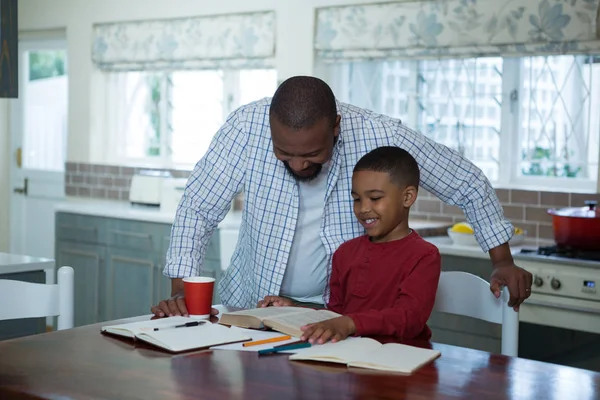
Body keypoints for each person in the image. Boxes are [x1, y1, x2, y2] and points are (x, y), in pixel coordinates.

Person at [150, 76, 532, 318]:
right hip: (251, 308)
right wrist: (183, 293)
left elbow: (466, 180)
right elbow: (198, 208)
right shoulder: (245, 127)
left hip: (340, 316)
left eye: (312, 155)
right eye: (285, 154)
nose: (298, 165)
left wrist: (502, 260)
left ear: (335, 127)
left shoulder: (381, 134)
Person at [258, 147, 441, 344]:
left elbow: (409, 318)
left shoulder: (424, 255)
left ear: (407, 197)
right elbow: (336, 316)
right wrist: (292, 310)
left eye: (375, 198)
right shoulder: (345, 253)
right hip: (348, 356)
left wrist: (349, 323)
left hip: (402, 358)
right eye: (357, 199)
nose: (363, 208)